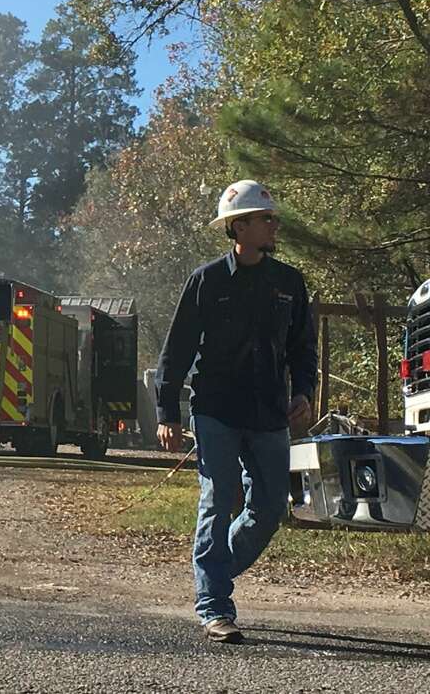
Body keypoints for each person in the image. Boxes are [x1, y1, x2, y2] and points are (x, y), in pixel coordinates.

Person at [154, 179, 316, 645]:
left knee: (267, 510)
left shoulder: (289, 283)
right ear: (238, 227)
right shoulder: (206, 281)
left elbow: (303, 347)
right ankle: (214, 605)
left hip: (270, 413)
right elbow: (176, 350)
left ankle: (214, 568)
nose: (273, 224)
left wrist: (304, 389)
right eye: (265, 218)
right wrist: (167, 411)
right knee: (219, 499)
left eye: (272, 218)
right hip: (216, 410)